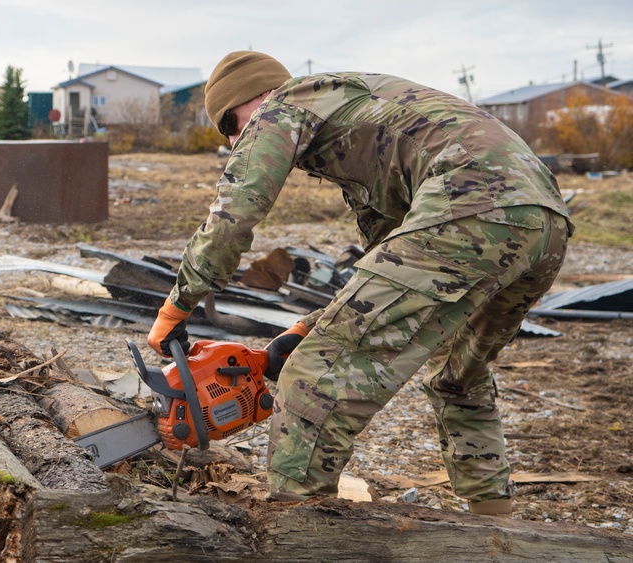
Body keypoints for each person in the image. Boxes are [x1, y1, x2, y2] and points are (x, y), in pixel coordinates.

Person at [147, 51, 573, 516]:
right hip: (543, 219)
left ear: (253, 96)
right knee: (458, 375)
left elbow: (235, 214)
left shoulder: (284, 104)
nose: (233, 140)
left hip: (470, 202)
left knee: (313, 379)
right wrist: (309, 326)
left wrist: (177, 306)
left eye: (230, 125)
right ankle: (500, 533)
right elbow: (386, 263)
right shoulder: (357, 119)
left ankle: (300, 533)